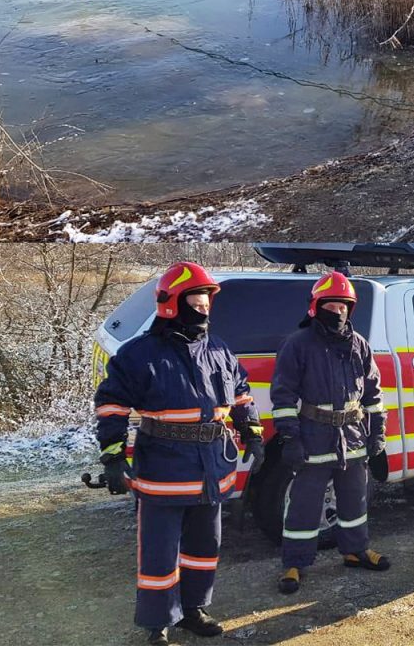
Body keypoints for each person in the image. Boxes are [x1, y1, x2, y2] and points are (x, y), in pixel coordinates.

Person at [93, 262, 262, 646]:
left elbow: (241, 394)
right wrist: (114, 457)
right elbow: (111, 405)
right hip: (164, 469)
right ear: (172, 302)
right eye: (195, 298)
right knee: (159, 553)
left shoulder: (218, 349)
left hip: (212, 468)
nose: (203, 306)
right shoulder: (139, 354)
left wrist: (252, 434)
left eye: (206, 299)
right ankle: (158, 623)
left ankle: (194, 609)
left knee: (205, 547)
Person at [270, 271, 390, 595]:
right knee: (304, 505)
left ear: (350, 309)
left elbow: (374, 395)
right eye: (331, 305)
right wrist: (290, 438)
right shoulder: (298, 344)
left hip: (352, 437)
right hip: (313, 438)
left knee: (355, 501)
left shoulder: (359, 345)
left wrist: (377, 435)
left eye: (343, 306)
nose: (337, 312)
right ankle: (294, 563)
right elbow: (282, 396)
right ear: (315, 306)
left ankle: (356, 550)